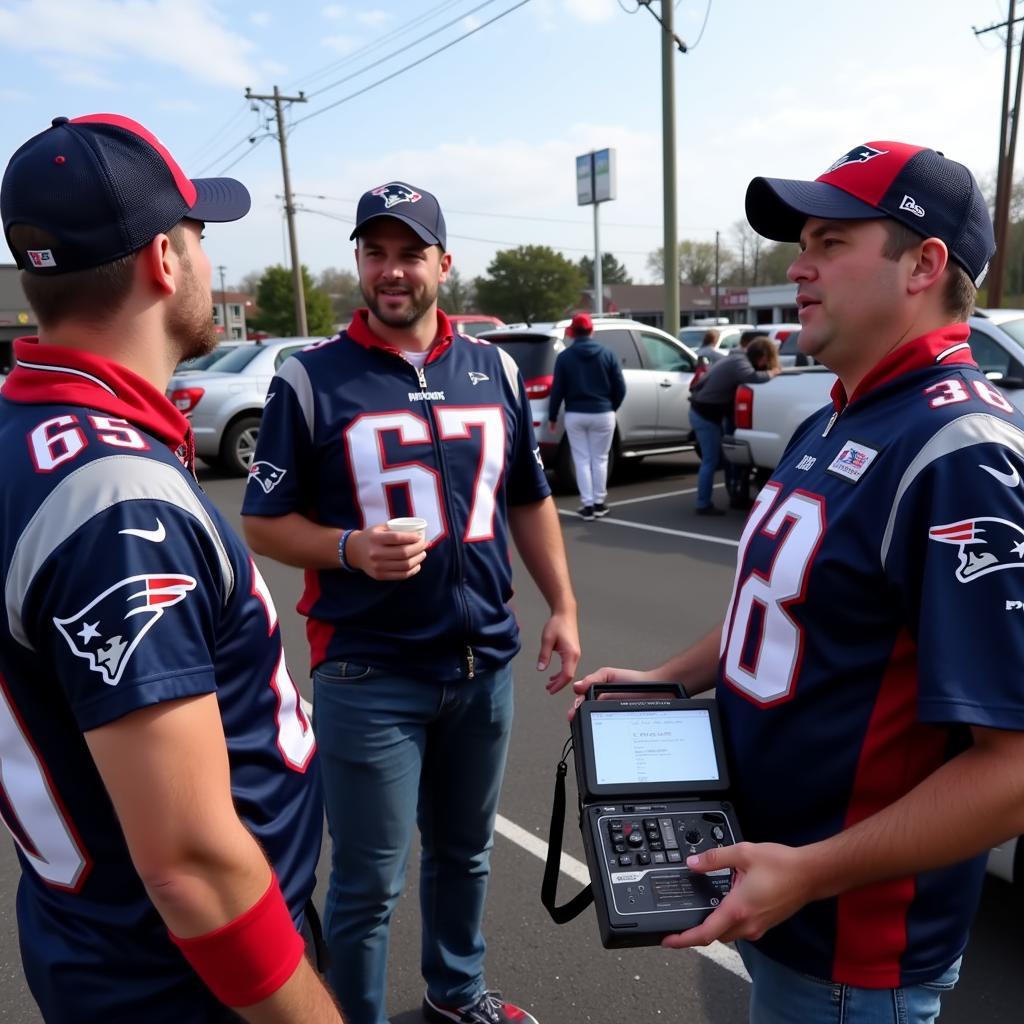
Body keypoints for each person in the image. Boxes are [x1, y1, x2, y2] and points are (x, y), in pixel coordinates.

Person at [574, 140, 1024, 1024]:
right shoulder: (843, 410)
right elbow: (785, 606)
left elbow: (1012, 769)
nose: (798, 264)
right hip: (781, 907)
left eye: (829, 241)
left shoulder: (960, 455)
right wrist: (667, 679)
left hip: (849, 951)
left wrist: (809, 871)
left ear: (924, 264)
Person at [0, 115, 340, 1023]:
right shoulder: (116, 501)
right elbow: (191, 868)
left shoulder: (24, 438)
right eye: (198, 234)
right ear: (163, 258)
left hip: (95, 938)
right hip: (182, 981)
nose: (205, 256)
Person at [241, 180, 581, 1024]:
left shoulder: (492, 366)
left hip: (482, 662)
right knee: (368, 880)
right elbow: (263, 522)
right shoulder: (310, 378)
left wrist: (563, 607)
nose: (391, 272)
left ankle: (455, 995)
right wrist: (348, 548)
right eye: (375, 253)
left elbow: (529, 498)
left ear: (443, 263)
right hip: (369, 669)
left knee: (465, 855)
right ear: (358, 260)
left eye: (409, 254)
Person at [546, 312, 627, 520]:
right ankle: (600, 502)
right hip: (603, 412)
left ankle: (588, 505)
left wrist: (553, 416)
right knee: (600, 458)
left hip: (575, 414)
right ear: (591, 331)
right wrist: (611, 406)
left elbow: (558, 390)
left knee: (581, 460)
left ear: (572, 333)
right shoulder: (607, 354)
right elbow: (620, 387)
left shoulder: (564, 357)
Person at [688, 335, 779, 515]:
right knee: (710, 461)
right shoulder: (740, 363)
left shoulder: (735, 358)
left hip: (701, 412)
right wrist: (773, 372)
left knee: (713, 460)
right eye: (767, 361)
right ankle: (703, 504)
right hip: (705, 415)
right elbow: (754, 377)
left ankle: (711, 498)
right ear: (762, 357)